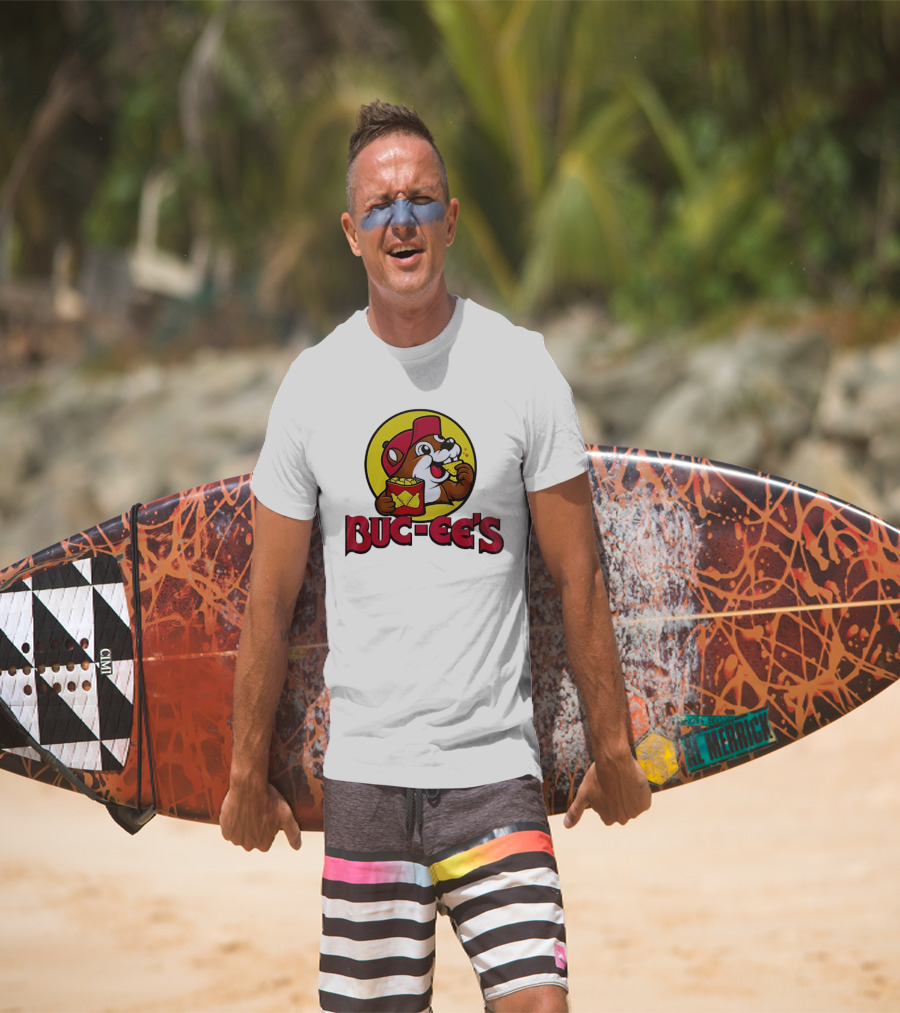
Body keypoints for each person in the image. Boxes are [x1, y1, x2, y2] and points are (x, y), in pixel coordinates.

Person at [220, 100, 651, 1013]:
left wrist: (612, 745)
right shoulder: (314, 386)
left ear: (450, 219)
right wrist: (244, 772)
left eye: (420, 200)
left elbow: (578, 575)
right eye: (380, 206)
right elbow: (270, 599)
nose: (402, 221)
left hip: (495, 775)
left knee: (540, 1004)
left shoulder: (521, 368)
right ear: (351, 233)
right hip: (367, 780)